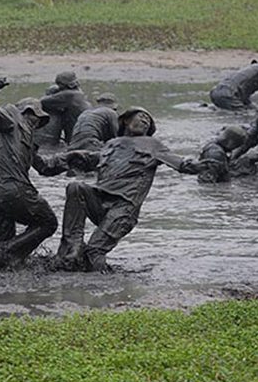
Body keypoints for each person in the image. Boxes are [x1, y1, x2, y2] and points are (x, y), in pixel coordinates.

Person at [55, 107, 201, 272]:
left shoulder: (152, 145)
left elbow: (182, 164)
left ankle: (98, 284)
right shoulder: (111, 144)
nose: (145, 121)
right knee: (76, 187)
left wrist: (204, 165)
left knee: (94, 251)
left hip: (124, 208)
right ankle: (71, 248)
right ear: (125, 120)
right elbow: (86, 159)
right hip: (100, 200)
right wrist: (47, 161)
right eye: (141, 116)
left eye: (148, 120)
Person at [0, 78, 71, 269]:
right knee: (48, 223)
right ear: (27, 112)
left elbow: (45, 168)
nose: (38, 123)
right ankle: (2, 252)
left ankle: (1, 260)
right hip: (11, 188)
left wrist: (71, 159)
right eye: (37, 116)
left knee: (3, 254)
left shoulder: (28, 138)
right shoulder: (12, 118)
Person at [37, 71, 90, 146]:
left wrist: (51, 93)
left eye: (59, 84)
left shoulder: (69, 95)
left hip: (78, 133)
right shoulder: (79, 93)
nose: (58, 87)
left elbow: (42, 102)